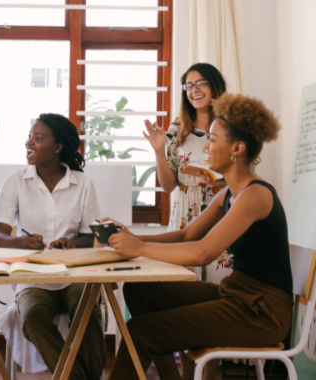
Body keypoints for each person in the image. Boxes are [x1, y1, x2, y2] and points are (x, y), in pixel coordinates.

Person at [104, 93, 292, 380]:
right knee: (139, 290)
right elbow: (186, 234)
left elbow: (203, 252)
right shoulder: (228, 193)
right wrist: (131, 236)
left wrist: (139, 247)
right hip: (237, 294)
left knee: (141, 332)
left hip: (261, 312)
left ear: (238, 148)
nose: (205, 145)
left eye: (213, 140)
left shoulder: (255, 195)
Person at [0, 113, 105, 380]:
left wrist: (71, 242)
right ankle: (76, 377)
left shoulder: (82, 184)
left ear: (58, 148)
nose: (29, 142)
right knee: (32, 319)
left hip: (74, 274)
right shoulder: (16, 182)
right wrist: (20, 242)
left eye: (38, 138)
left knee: (88, 313)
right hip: (33, 278)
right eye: (30, 136)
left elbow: (90, 236)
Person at [142, 63, 227, 379]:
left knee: (215, 301)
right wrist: (159, 151)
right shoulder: (177, 130)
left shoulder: (233, 127)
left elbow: (247, 173)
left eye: (201, 83)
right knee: (182, 302)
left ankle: (211, 373)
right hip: (184, 216)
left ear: (215, 86)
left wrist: (220, 182)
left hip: (221, 212)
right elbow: (168, 185)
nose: (194, 89)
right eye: (189, 85)